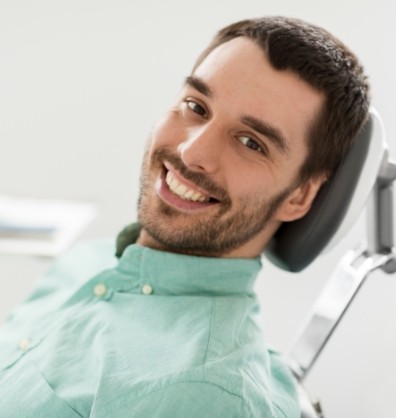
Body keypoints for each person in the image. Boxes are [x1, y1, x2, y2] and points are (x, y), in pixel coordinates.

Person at [0, 16, 369, 417]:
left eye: (251, 142)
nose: (193, 152)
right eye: (196, 106)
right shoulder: (88, 260)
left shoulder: (205, 394)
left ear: (299, 196)